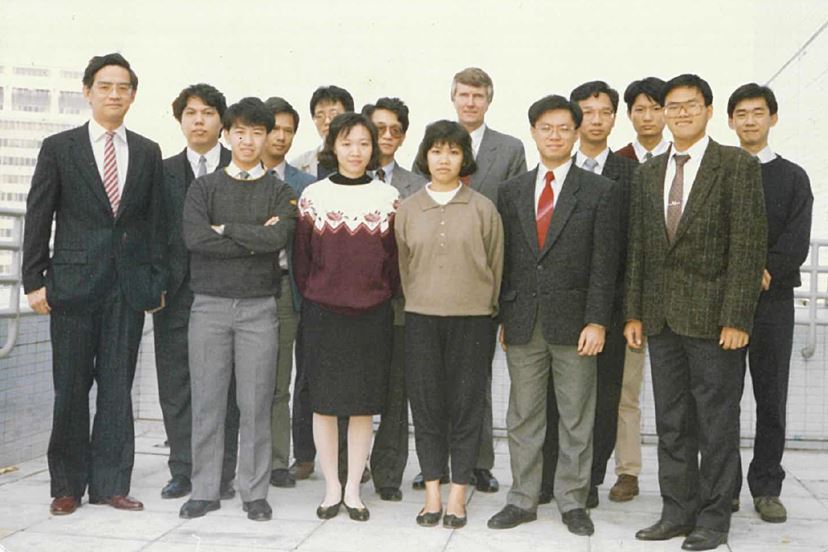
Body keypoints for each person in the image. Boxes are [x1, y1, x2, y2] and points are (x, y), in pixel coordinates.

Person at [625, 74, 767, 551]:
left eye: (691, 105)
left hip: (715, 322)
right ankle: (677, 510)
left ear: (708, 111)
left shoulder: (735, 166)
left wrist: (737, 318)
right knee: (671, 420)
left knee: (717, 421)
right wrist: (635, 313)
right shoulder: (648, 172)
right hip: (662, 320)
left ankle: (713, 517)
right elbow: (640, 250)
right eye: (673, 106)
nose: (681, 113)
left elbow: (748, 248)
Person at [22, 53, 166, 515]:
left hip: (126, 288)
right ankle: (66, 485)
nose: (114, 95)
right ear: (87, 91)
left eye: (123, 87)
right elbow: (38, 215)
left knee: (117, 388)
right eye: (105, 86)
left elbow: (155, 224)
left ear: (133, 95)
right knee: (70, 387)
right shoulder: (59, 148)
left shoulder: (147, 151)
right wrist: (33, 280)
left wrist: (155, 281)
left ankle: (110, 484)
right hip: (71, 286)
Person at [487, 94, 620, 537]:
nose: (556, 135)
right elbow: (507, 260)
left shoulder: (600, 190)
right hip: (523, 321)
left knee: (576, 415)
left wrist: (598, 321)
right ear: (534, 132)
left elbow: (605, 264)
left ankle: (572, 500)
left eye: (565, 128)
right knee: (523, 414)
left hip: (577, 324)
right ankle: (522, 498)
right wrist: (505, 315)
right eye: (547, 127)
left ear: (577, 132)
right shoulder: (512, 191)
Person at [178, 97, 297, 522]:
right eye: (240, 132)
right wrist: (250, 237)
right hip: (208, 307)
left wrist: (225, 229)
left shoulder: (280, 191)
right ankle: (205, 489)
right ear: (226, 135)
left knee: (256, 403)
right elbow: (195, 238)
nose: (248, 141)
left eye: (257, 133)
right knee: (208, 401)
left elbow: (276, 239)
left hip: (259, 309)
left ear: (268, 138)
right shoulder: (204, 187)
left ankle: (254, 492)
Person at [409, 66, 527, 494]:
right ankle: (434, 466)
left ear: (488, 100)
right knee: (434, 386)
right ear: (453, 97)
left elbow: (513, 218)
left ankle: (477, 463)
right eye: (464, 95)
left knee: (474, 383)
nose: (470, 102)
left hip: (481, 282)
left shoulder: (509, 148)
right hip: (434, 287)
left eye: (478, 95)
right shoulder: (435, 141)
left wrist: (501, 290)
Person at [293, 112, 399, 522]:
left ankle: (354, 488)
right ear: (333, 146)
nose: (355, 151)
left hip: (371, 316)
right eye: (346, 142)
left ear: (374, 149)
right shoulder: (313, 197)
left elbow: (393, 264)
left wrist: (376, 295)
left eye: (364, 143)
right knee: (323, 405)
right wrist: (322, 296)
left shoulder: (387, 198)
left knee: (360, 407)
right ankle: (331, 488)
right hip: (323, 315)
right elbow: (303, 263)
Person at [397, 120, 503, 529]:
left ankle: (459, 494)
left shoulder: (483, 208)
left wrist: (483, 307)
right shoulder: (408, 209)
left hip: (473, 321)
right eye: (437, 150)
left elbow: (496, 265)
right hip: (421, 320)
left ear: (465, 158)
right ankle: (433, 495)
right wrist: (422, 300)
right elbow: (405, 267)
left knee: (465, 408)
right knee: (427, 408)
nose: (445, 159)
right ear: (426, 155)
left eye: (454, 151)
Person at [539, 81, 636, 509]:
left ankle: (589, 480)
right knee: (552, 399)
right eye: (588, 112)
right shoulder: (553, 170)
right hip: (556, 310)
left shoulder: (633, 174)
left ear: (615, 118)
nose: (596, 120)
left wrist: (628, 311)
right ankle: (548, 478)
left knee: (605, 396)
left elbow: (636, 249)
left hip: (609, 310)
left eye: (605, 112)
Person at [727, 83, 812, 523]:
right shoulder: (718, 170)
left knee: (770, 397)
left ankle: (766, 488)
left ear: (772, 119)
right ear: (729, 121)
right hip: (723, 305)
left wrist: (764, 272)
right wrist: (736, 277)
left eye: (757, 113)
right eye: (740, 113)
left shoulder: (793, 176)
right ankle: (724, 488)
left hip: (772, 301)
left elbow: (796, 239)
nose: (749, 121)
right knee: (721, 398)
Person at [155, 83, 241, 501]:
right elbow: (146, 233)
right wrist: (153, 287)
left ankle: (222, 472)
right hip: (173, 296)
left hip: (225, 293)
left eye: (208, 113)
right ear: (180, 120)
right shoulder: (161, 170)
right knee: (176, 384)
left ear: (221, 121)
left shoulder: (238, 166)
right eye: (191, 113)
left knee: (225, 386)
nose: (199, 120)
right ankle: (183, 470)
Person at [289, 85, 356, 482]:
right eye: (321, 113)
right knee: (307, 376)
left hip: (353, 296)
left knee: (350, 378)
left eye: (336, 112)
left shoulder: (360, 164)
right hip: (311, 293)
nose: (328, 119)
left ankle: (349, 458)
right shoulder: (301, 168)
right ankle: (305, 454)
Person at [607, 76, 669, 504]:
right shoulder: (617, 162)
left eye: (655, 108)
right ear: (628, 116)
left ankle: (681, 478)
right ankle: (628, 471)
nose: (647, 116)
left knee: (675, 394)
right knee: (625, 391)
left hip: (673, 296)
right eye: (639, 109)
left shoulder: (686, 158)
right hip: (626, 298)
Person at [361, 97, 426, 502]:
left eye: (395, 129)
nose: (387, 136)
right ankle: (352, 469)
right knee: (355, 390)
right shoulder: (346, 177)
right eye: (379, 128)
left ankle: (388, 474)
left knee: (395, 392)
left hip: (400, 304)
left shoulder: (416, 184)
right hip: (354, 305)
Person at [260, 96, 316, 489]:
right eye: (274, 128)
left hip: (285, 291)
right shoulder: (238, 177)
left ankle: (278, 461)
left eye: (288, 131)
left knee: (279, 382)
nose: (280, 137)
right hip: (241, 289)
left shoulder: (305, 185)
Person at [290, 85, 354, 180]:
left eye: (334, 114)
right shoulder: (299, 165)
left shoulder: (363, 160)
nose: (327, 121)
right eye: (320, 116)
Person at [616, 77, 670, 162]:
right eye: (640, 110)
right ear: (629, 114)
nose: (647, 118)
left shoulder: (679, 158)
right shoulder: (617, 160)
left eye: (656, 109)